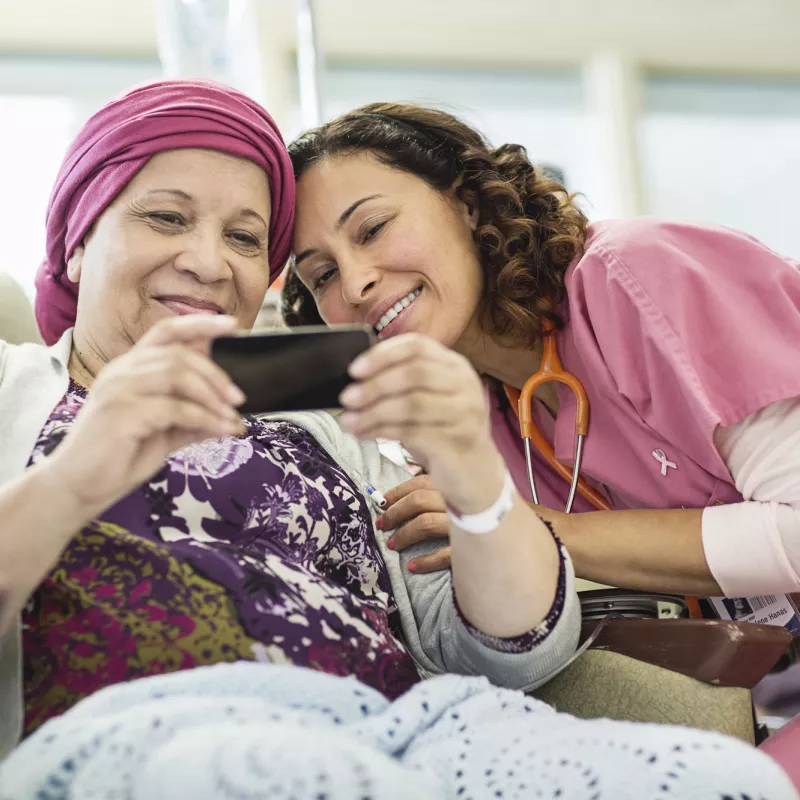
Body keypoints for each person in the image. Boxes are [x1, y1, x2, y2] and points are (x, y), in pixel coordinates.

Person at [0, 83, 794, 800]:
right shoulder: (11, 391)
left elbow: (511, 648)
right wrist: (78, 472)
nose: (208, 262)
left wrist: (479, 488)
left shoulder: (337, 424)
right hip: (157, 727)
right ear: (75, 237)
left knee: (723, 782)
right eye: (166, 217)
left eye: (245, 239)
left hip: (413, 728)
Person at [283, 102, 800, 605]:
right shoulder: (469, 420)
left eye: (372, 229)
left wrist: (528, 527)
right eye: (322, 275)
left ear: (467, 203)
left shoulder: (636, 277)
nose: (355, 283)